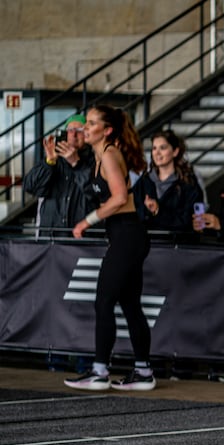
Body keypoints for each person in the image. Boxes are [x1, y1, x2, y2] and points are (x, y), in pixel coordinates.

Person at [64, 105, 155, 392]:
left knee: (104, 301)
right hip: (125, 235)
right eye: (85, 123)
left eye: (91, 123)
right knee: (129, 305)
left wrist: (85, 222)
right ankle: (143, 372)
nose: (84, 128)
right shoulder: (100, 156)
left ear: (107, 130)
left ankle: (100, 371)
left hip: (128, 234)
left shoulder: (110, 154)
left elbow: (117, 198)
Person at [24, 114, 94, 236]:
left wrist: (76, 163)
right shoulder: (55, 159)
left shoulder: (95, 160)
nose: (73, 134)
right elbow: (30, 186)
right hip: (51, 236)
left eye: (79, 130)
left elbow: (96, 192)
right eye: (69, 130)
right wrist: (49, 162)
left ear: (87, 134)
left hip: (82, 236)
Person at [132, 129, 204, 233]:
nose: (157, 153)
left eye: (163, 148)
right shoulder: (144, 182)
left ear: (175, 151)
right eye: (154, 148)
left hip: (177, 246)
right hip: (147, 245)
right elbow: (134, 214)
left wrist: (158, 211)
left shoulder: (189, 184)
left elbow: (192, 222)